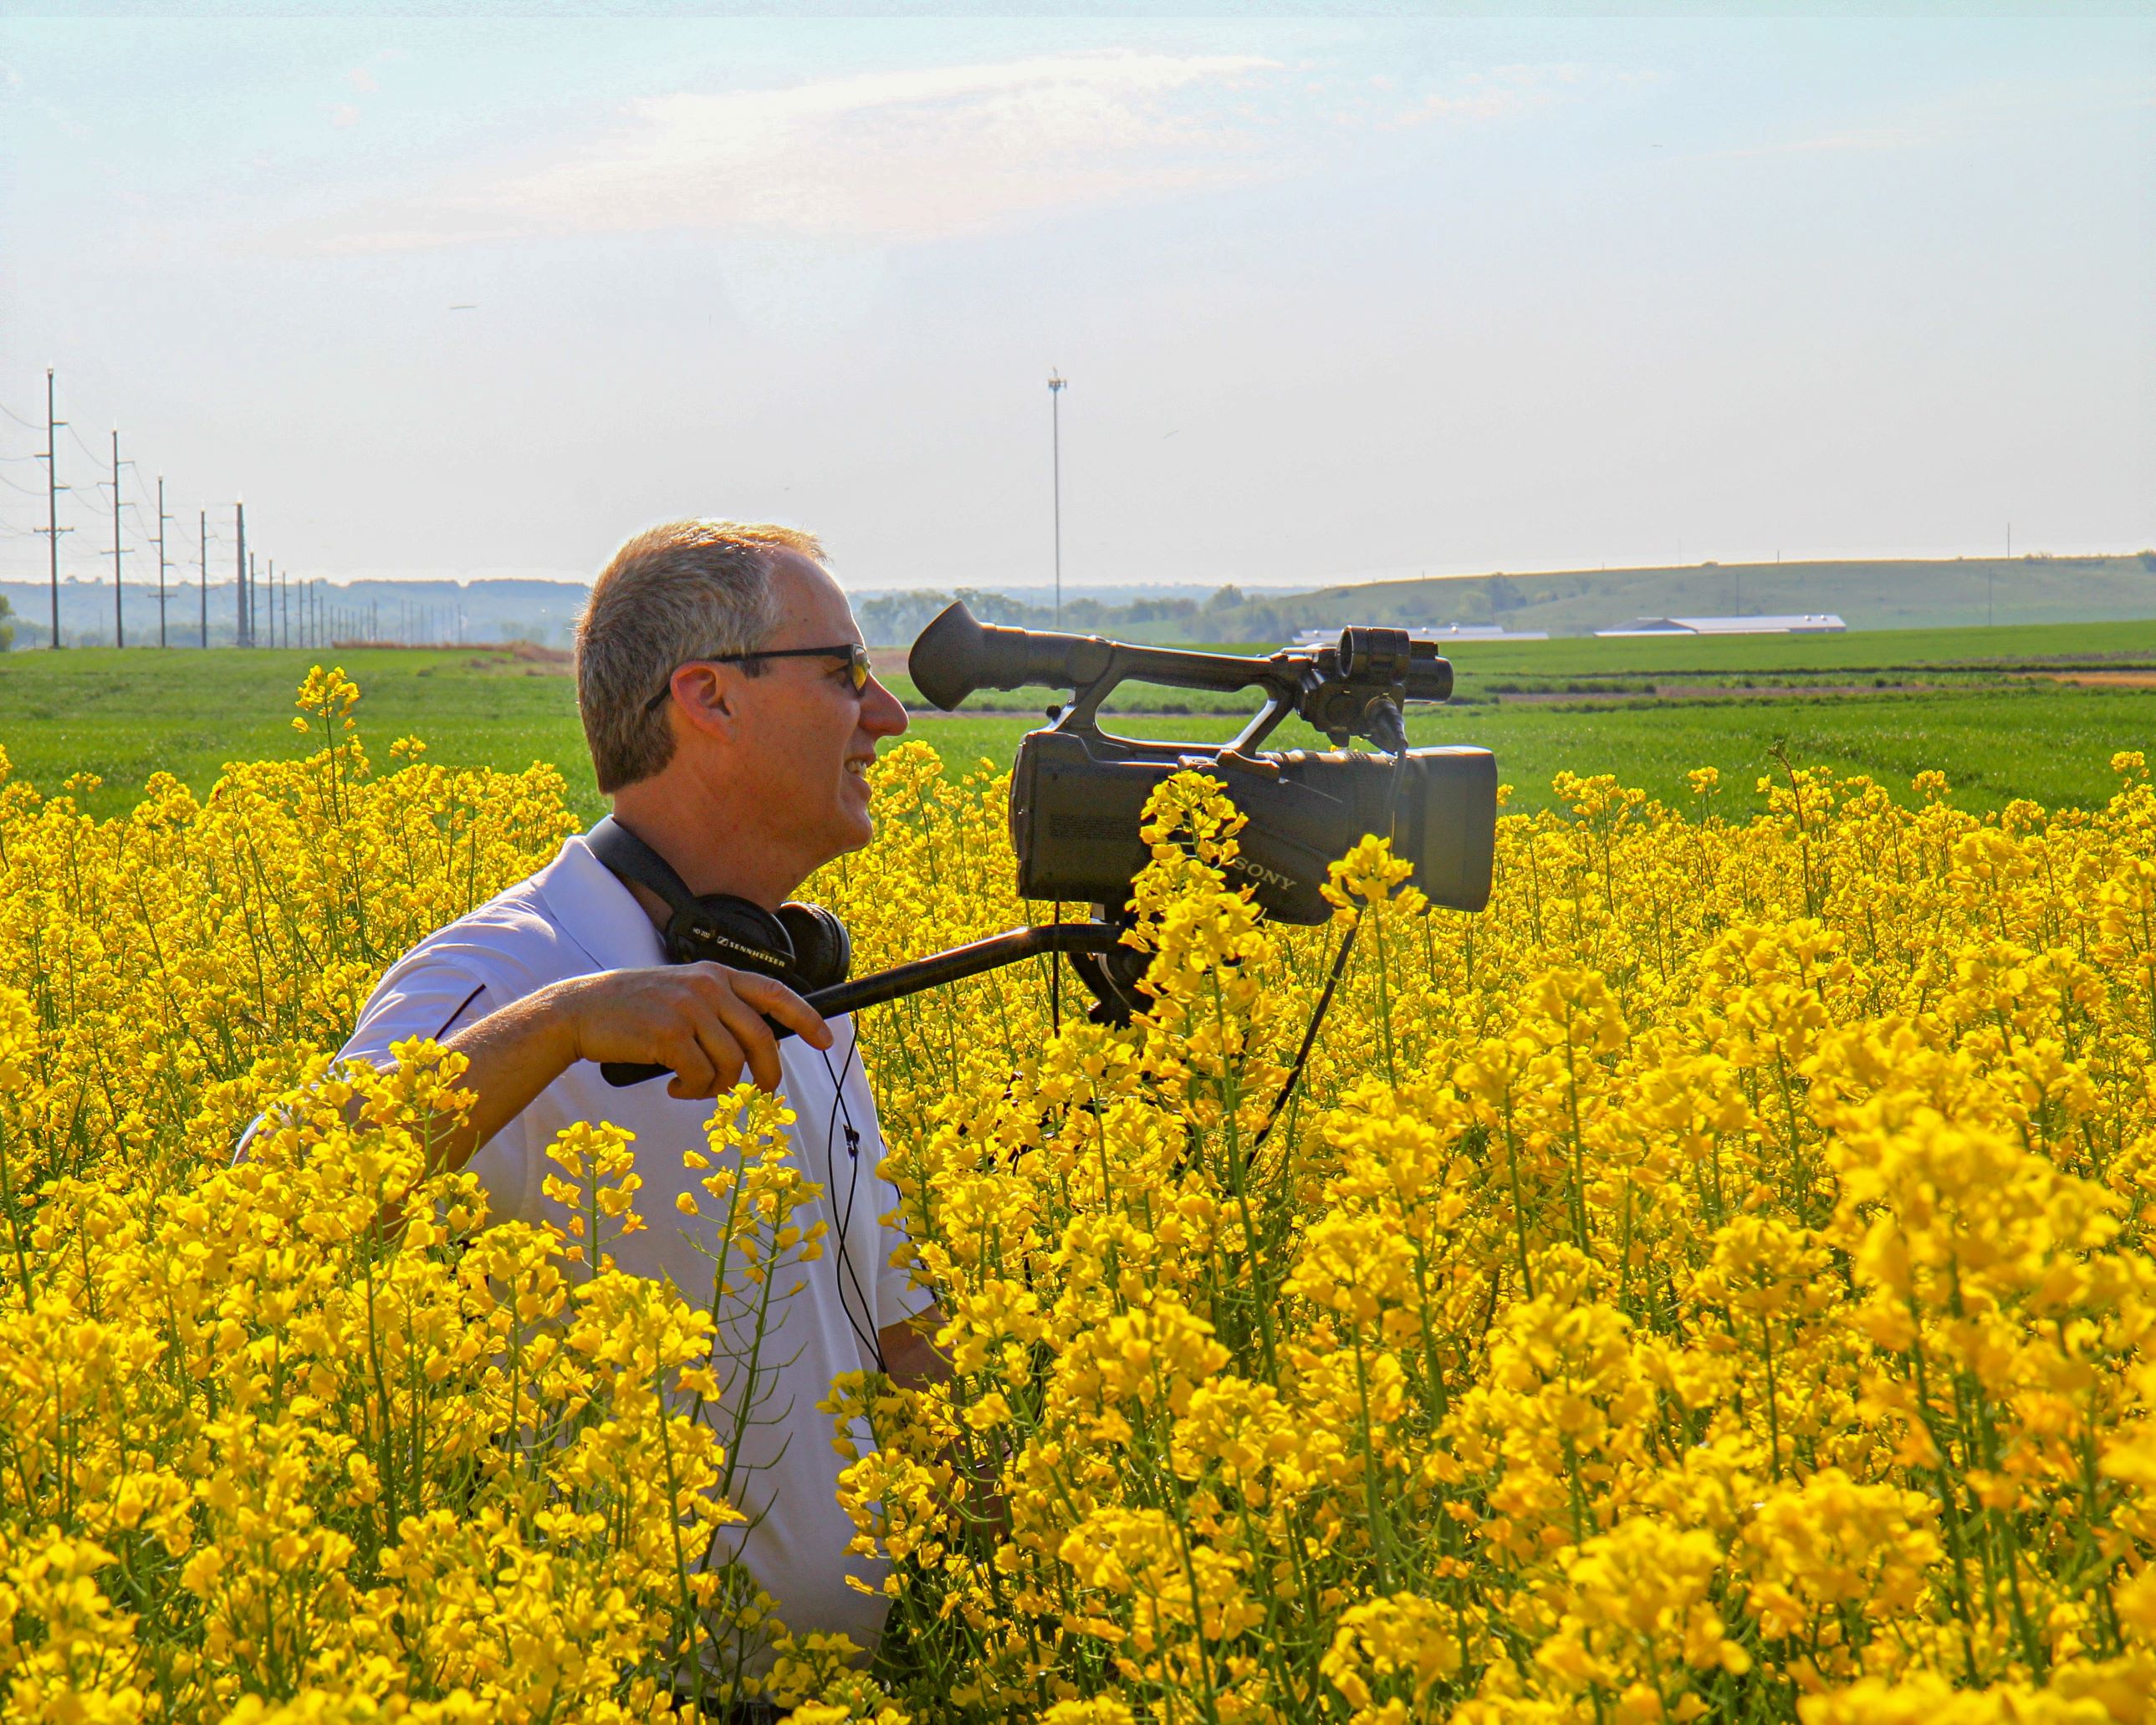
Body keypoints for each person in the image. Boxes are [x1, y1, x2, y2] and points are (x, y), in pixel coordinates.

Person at [333, 519, 943, 1688]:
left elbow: (888, 1328)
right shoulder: (513, 969)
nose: (887, 718)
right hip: (625, 1691)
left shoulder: (801, 980)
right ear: (709, 699)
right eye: (844, 674)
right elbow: (277, 1201)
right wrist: (561, 1026)